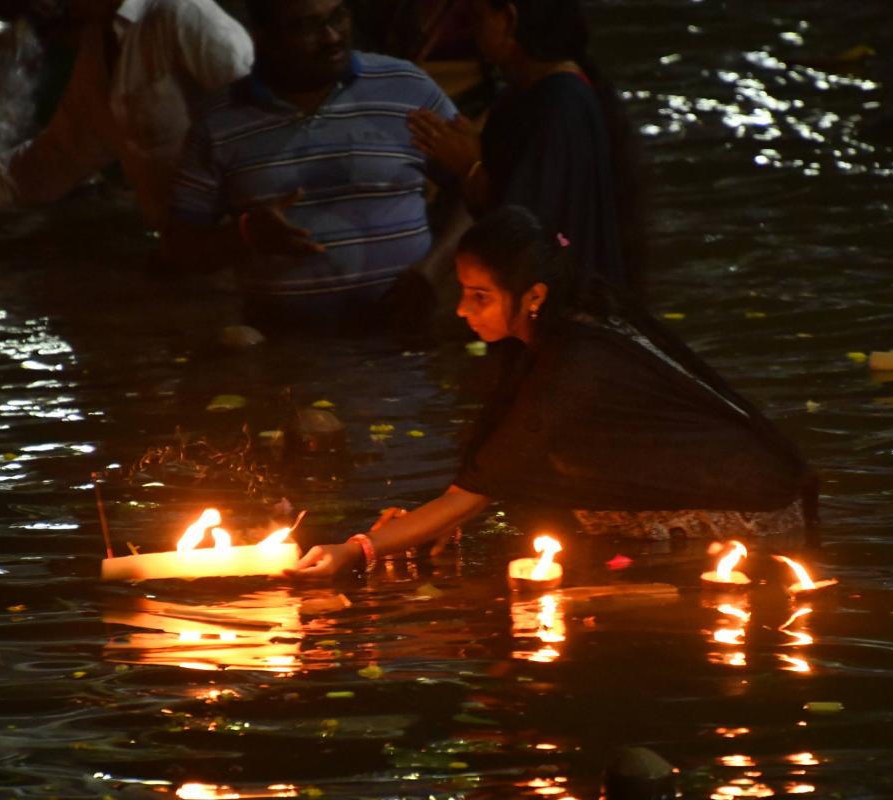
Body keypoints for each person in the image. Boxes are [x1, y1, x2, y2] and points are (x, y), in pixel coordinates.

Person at [290, 205, 816, 578]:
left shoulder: (575, 362)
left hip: (751, 514)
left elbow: (481, 486)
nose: (461, 310)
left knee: (553, 514)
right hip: (749, 489)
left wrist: (356, 550)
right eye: (462, 293)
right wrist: (424, 525)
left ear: (533, 295)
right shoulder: (554, 330)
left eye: (480, 297)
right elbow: (493, 469)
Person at [161, 0, 468, 333]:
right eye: (307, 26)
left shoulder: (407, 89)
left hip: (407, 352)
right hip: (288, 364)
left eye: (338, 16)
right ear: (261, 36)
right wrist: (244, 235)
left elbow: (477, 184)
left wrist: (432, 272)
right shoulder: (219, 122)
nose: (332, 37)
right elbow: (180, 248)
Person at [0, 0, 254, 234]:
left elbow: (270, 130)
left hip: (246, 257)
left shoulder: (185, 18)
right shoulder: (98, 48)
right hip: (188, 257)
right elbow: (41, 167)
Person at [405, 0, 643, 291]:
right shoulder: (528, 95)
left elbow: (532, 236)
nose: (470, 29)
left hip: (561, 311)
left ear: (508, 20)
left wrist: (471, 168)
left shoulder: (561, 105)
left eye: (477, 16)